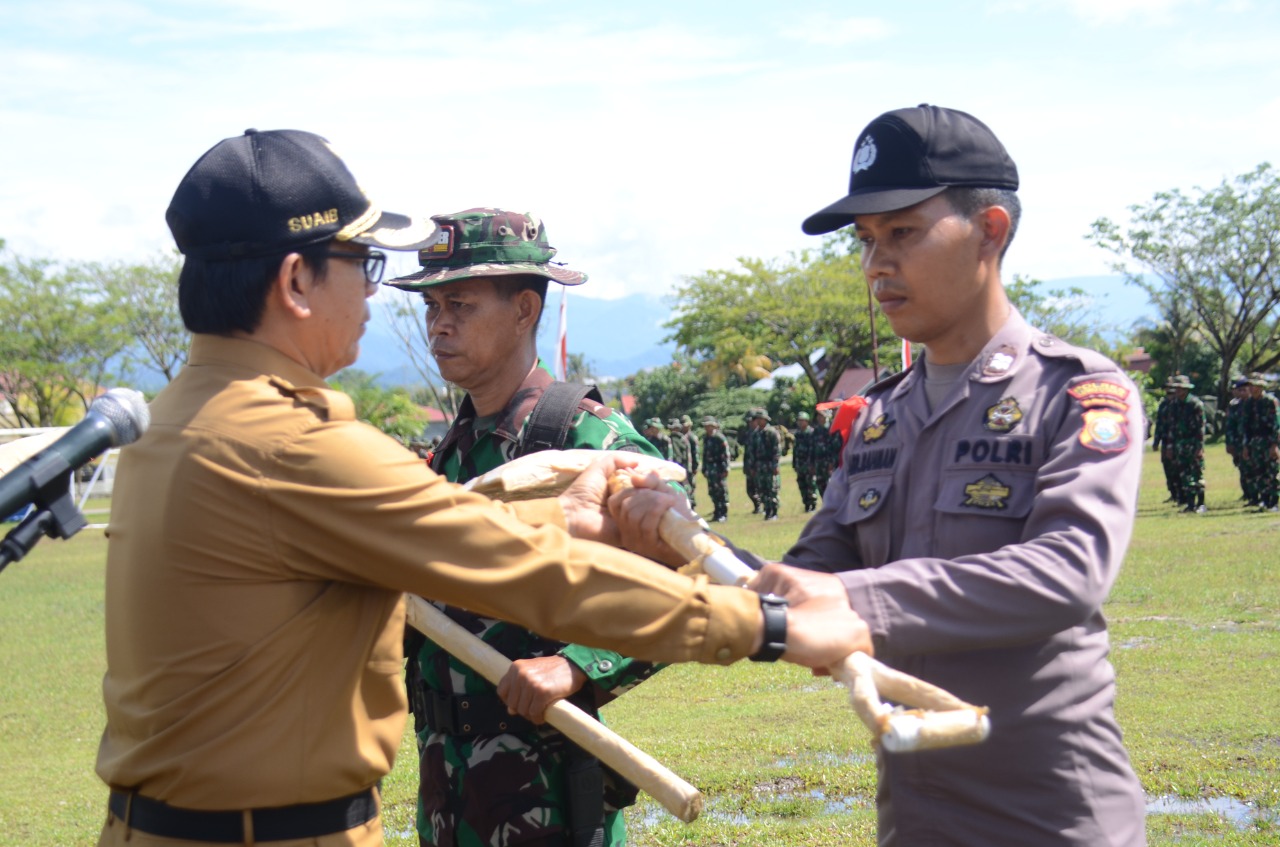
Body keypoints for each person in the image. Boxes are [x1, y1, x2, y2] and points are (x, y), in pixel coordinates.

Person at [94, 128, 872, 847]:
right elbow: (517, 564)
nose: (382, 300)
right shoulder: (293, 442)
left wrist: (565, 594)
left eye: (456, 304)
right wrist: (766, 624)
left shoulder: (170, 424)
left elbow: (438, 537)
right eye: (364, 269)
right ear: (296, 279)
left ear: (526, 309)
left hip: (518, 785)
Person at [751, 105, 1148, 846]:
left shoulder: (1076, 392)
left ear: (990, 230)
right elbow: (804, 572)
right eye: (867, 241)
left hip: (1050, 815)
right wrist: (655, 534)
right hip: (917, 814)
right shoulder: (881, 414)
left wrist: (849, 598)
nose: (875, 265)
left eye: (902, 232)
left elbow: (1069, 572)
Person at [384, 208, 665, 847]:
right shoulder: (447, 457)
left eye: (460, 303)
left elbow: (680, 580)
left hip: (547, 790)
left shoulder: (588, 440)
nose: (440, 324)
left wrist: (577, 669)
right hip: (446, 788)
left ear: (525, 310)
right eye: (432, 308)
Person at [1164, 374, 1206, 513]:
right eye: (1176, 388)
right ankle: (1190, 503)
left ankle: (1201, 503)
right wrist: (1170, 446)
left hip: (1193, 443)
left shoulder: (1195, 404)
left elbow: (1201, 427)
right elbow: (1171, 427)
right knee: (1183, 474)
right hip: (1179, 444)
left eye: (1180, 388)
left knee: (1196, 473)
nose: (1177, 391)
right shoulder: (1173, 405)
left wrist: (1199, 447)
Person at [1240, 373, 1279, 512]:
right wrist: (1245, 445)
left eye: (1255, 386)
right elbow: (1245, 426)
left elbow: (1276, 425)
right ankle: (1264, 500)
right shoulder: (1248, 404)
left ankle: (1274, 502)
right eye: (1250, 386)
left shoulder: (1270, 401)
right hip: (1254, 443)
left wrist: (1274, 445)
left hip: (1268, 441)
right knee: (1258, 472)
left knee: (1271, 472)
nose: (1252, 388)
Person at [744, 408, 781, 520]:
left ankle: (773, 512)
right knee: (761, 490)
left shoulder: (772, 432)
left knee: (771, 490)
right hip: (759, 466)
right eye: (757, 419)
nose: (758, 421)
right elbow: (752, 452)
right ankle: (767, 510)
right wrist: (752, 467)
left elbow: (776, 451)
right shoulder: (755, 434)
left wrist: (775, 465)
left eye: (760, 419)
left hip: (769, 465)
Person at [700, 415, 731, 522]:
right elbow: (704, 455)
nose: (708, 428)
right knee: (712, 491)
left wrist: (726, 468)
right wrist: (704, 468)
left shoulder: (719, 438)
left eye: (710, 426)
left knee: (721, 491)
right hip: (710, 469)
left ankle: (723, 513)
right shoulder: (706, 439)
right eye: (706, 426)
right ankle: (717, 512)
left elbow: (726, 454)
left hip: (719, 468)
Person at [1151, 386, 1179, 502]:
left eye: (1172, 392)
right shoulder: (1164, 405)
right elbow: (1159, 424)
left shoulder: (1178, 405)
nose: (1170, 395)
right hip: (1165, 440)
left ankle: (1181, 494)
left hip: (1177, 441)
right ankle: (1173, 493)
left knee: (1177, 467)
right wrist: (1156, 441)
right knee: (1167, 466)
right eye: (1168, 392)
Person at [1224, 377, 1249, 501]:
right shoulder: (1234, 405)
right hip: (1238, 442)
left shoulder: (1255, 403)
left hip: (1253, 442)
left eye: (1243, 390)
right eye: (1239, 390)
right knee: (1243, 468)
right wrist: (1229, 443)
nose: (1240, 392)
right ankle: (1248, 493)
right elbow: (1230, 426)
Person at [791, 411, 820, 512]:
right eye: (799, 421)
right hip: (800, 464)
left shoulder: (811, 433)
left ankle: (813, 504)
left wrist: (813, 464)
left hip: (809, 464)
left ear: (807, 421)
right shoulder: (798, 434)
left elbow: (814, 450)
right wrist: (794, 463)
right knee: (802, 484)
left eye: (802, 421)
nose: (800, 423)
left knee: (810, 484)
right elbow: (795, 450)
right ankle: (806, 504)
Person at [666, 417, 694, 508]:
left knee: (686, 489)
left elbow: (688, 455)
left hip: (682, 468)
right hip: (672, 469)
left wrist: (689, 470)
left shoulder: (683, 439)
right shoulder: (668, 439)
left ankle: (690, 507)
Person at [679, 414, 700, 507]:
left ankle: (692, 506)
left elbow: (696, 454)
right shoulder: (679, 437)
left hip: (690, 467)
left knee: (690, 487)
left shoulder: (692, 438)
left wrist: (695, 467)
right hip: (681, 466)